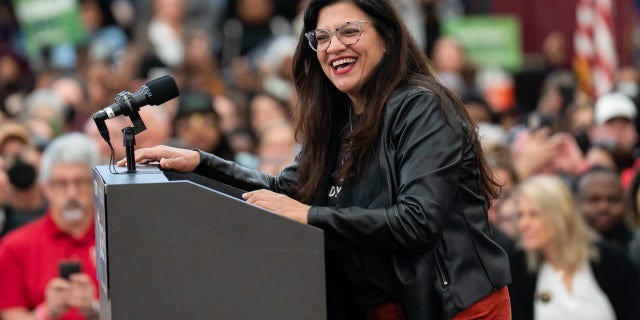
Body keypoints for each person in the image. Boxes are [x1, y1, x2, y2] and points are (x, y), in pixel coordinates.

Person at [119, 0, 511, 318]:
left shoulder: (422, 106)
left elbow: (416, 221)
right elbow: (287, 191)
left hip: (455, 307)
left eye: (349, 31)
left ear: (388, 38)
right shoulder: (336, 118)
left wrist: (307, 215)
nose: (333, 46)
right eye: (321, 37)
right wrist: (200, 163)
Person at [508, 175, 640, 320]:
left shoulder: (613, 262)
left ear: (560, 215)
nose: (523, 224)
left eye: (534, 214)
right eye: (520, 215)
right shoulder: (517, 268)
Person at [0, 133, 101, 320]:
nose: (72, 193)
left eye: (80, 182)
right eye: (62, 184)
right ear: (46, 187)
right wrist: (47, 312)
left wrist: (96, 310)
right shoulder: (14, 246)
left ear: (95, 186)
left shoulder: (116, 240)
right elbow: (10, 314)